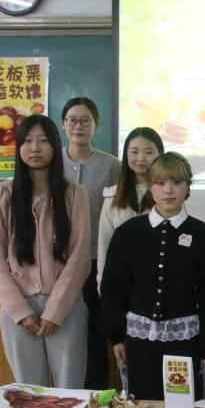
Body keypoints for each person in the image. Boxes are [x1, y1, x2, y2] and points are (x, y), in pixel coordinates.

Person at [100, 152, 205, 400]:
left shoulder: (204, 235)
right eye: (160, 182)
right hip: (138, 341)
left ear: (187, 187)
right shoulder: (128, 233)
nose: (168, 190)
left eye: (176, 182)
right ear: (150, 187)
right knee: (143, 405)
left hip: (186, 342)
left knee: (183, 406)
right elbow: (114, 289)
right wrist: (116, 336)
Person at [0, 115, 91, 388]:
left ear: (55, 146)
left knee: (69, 388)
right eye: (28, 141)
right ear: (18, 147)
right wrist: (19, 311)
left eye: (43, 141)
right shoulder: (1, 194)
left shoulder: (74, 194)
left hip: (66, 306)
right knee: (29, 392)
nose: (35, 148)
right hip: (18, 309)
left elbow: (79, 257)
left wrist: (55, 311)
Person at [60, 97, 121, 390]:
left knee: (95, 332)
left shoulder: (112, 166)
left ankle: (96, 394)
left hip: (97, 260)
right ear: (63, 124)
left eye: (85, 120)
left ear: (96, 124)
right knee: (65, 330)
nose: (79, 126)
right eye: (72, 120)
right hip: (60, 262)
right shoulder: (52, 162)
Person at [96, 127, 165, 290]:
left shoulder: (168, 193)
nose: (141, 158)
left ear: (160, 155)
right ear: (126, 154)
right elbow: (105, 244)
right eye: (134, 152)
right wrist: (102, 284)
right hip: (121, 281)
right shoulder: (113, 196)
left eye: (149, 152)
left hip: (159, 282)